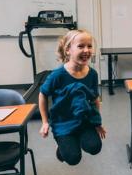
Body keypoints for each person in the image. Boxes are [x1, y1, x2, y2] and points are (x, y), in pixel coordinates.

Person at [39, 29, 106, 165]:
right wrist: (45, 122)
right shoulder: (57, 75)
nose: (86, 50)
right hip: (63, 122)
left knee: (95, 148)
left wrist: (97, 123)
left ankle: (72, 141)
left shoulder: (92, 74)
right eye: (81, 46)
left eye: (89, 46)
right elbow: (43, 95)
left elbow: (95, 100)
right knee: (73, 158)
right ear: (68, 49)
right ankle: (62, 147)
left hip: (84, 120)